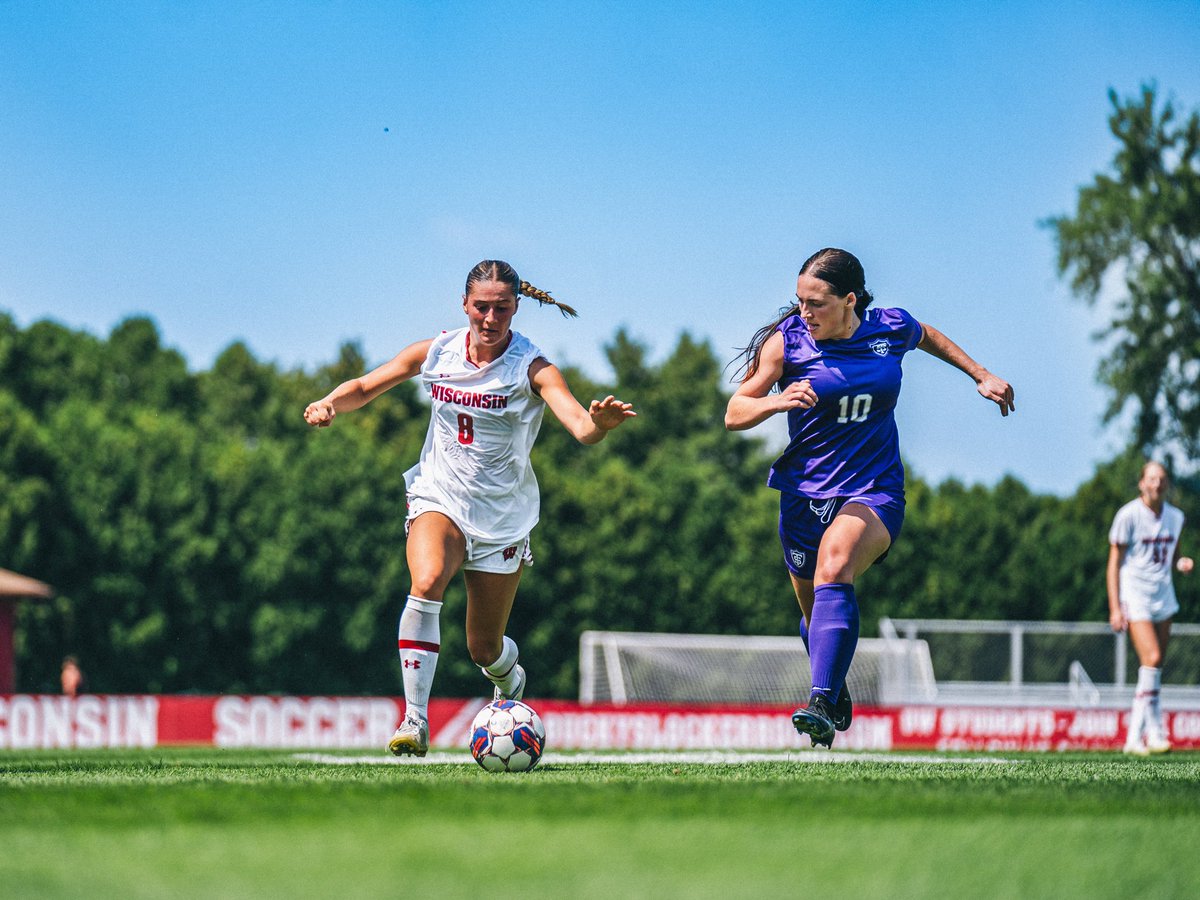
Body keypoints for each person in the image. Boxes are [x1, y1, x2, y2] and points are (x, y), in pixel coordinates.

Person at [304, 260, 635, 757]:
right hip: (440, 498)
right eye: (481, 306)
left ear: (516, 308)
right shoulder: (436, 350)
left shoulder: (533, 367)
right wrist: (329, 401)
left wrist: (601, 423)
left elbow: (581, 428)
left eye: (501, 308)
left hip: (502, 520)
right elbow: (368, 385)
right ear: (464, 304)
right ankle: (415, 720)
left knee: (484, 648)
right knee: (427, 578)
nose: (490, 317)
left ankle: (510, 680)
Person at [725, 248, 1014, 748]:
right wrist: (777, 400)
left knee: (834, 565)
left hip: (873, 490)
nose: (803, 313)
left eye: (815, 303)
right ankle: (833, 689)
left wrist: (981, 374)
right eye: (799, 301)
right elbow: (734, 412)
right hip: (801, 494)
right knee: (815, 614)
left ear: (849, 300)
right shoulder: (787, 343)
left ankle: (818, 699)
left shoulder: (888, 327)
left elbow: (927, 336)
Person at [1108, 461, 1194, 755]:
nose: (1156, 484)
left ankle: (1155, 734)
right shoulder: (1128, 515)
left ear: (1166, 484)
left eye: (1161, 479)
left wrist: (1181, 564)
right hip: (1136, 593)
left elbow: (1173, 555)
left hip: (1164, 594)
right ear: (1141, 483)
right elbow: (1114, 563)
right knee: (1152, 657)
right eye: (1151, 478)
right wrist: (1115, 607)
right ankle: (1134, 737)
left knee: (1154, 668)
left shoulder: (1175, 517)